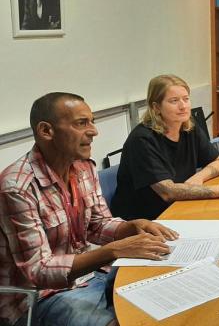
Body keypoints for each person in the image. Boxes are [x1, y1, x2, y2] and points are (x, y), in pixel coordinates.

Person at [0, 92, 178, 326]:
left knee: (163, 297)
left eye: (92, 121)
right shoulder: (17, 187)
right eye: (81, 123)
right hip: (39, 298)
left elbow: (97, 224)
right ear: (46, 131)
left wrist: (130, 227)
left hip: (90, 277)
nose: (94, 131)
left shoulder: (83, 167)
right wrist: (113, 251)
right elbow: (39, 271)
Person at [111, 75, 219, 221]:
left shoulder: (188, 127)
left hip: (180, 206)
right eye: (174, 101)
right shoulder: (142, 140)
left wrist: (197, 178)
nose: (183, 106)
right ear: (156, 107)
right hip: (145, 220)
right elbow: (168, 192)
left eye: (186, 99)